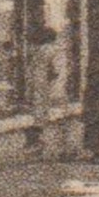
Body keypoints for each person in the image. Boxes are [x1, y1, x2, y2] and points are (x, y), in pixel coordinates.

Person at [25, 26, 58, 157]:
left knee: (39, 112)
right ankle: (41, 143)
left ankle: (38, 142)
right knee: (44, 112)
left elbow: (31, 71)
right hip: (44, 83)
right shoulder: (50, 50)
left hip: (36, 82)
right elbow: (54, 70)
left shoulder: (36, 51)